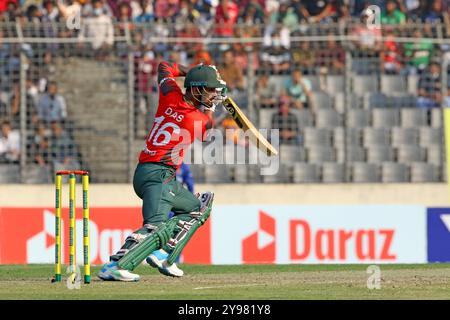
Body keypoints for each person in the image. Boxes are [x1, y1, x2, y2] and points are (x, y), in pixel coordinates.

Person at [98, 61, 227, 281]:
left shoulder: (170, 93)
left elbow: (165, 67)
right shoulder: (198, 119)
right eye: (210, 90)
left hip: (153, 173)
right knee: (154, 227)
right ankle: (114, 266)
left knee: (198, 208)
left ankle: (163, 254)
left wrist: (190, 72)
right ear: (195, 89)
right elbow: (207, 133)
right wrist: (210, 109)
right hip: (158, 175)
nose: (214, 95)